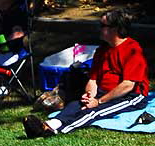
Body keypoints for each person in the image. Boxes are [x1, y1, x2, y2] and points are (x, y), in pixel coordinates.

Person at [23, 9, 149, 138]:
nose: (99, 29)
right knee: (75, 104)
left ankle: (54, 131)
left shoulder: (132, 50)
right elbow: (93, 79)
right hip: (103, 92)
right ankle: (50, 124)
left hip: (129, 96)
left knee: (93, 112)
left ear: (115, 29)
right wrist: (89, 96)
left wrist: (98, 101)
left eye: (102, 26)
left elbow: (128, 85)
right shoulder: (102, 50)